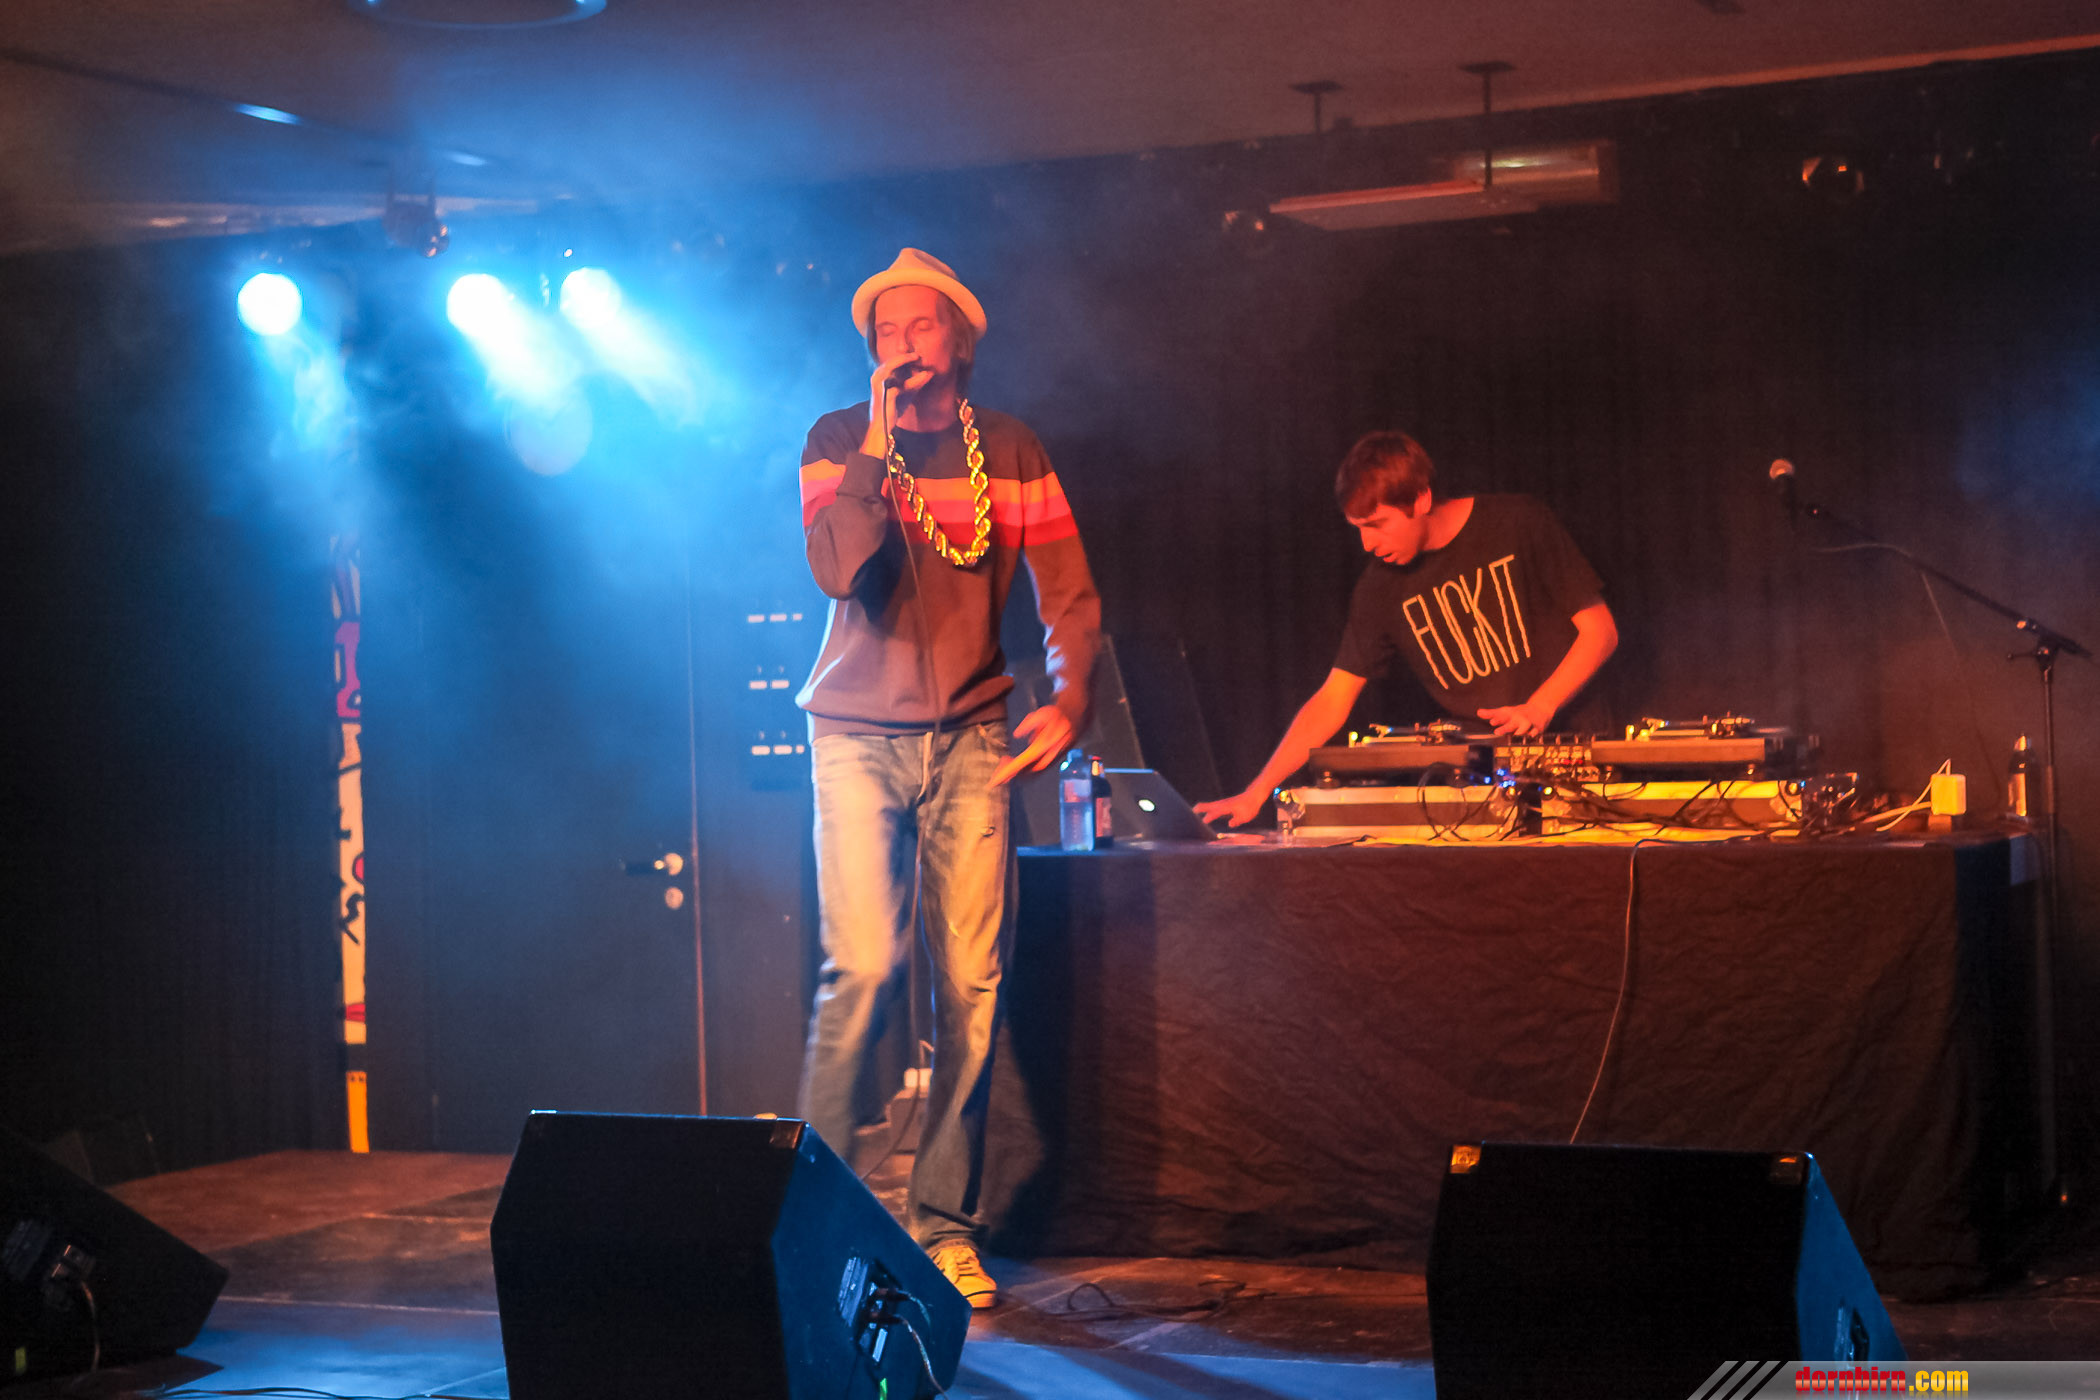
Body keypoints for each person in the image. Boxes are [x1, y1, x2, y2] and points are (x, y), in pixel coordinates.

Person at [794, 248, 1101, 1307]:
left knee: (971, 983)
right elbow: (837, 565)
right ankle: (810, 1223)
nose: (901, 345)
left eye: (919, 326)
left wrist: (1071, 699)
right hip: (854, 737)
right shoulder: (837, 439)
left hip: (973, 738)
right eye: (884, 331)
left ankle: (943, 1226)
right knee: (865, 968)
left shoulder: (1009, 450)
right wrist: (877, 450)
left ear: (960, 341)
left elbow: (1070, 593)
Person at [1195, 430, 1616, 828]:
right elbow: (1333, 697)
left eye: (1377, 524)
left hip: (1575, 754)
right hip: (1478, 777)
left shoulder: (1518, 522)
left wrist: (1540, 706)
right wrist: (1256, 792)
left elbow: (1600, 631)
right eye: (1358, 529)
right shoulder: (1379, 587)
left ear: (1421, 498)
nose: (1367, 544)